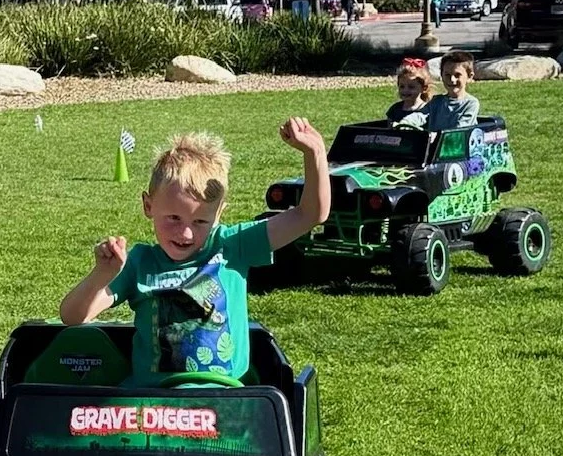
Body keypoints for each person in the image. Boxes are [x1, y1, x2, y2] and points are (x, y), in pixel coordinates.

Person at [59, 121, 330, 386]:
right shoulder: (139, 263)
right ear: (148, 206)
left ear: (219, 213)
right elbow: (72, 316)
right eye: (173, 218)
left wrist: (315, 153)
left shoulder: (233, 245)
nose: (186, 233)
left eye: (200, 221)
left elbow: (310, 214)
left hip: (221, 399)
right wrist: (102, 275)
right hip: (152, 401)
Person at [426, 50, 480, 131]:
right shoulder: (436, 102)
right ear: (441, 75)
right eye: (447, 75)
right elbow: (420, 115)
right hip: (434, 139)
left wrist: (441, 135)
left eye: (457, 75)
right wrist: (407, 121)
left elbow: (461, 128)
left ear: (469, 77)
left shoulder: (471, 104)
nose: (452, 79)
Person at [386, 57, 433, 125]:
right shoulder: (395, 109)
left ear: (424, 88)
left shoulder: (427, 111)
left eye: (411, 87)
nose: (405, 90)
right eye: (402, 86)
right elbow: (389, 129)